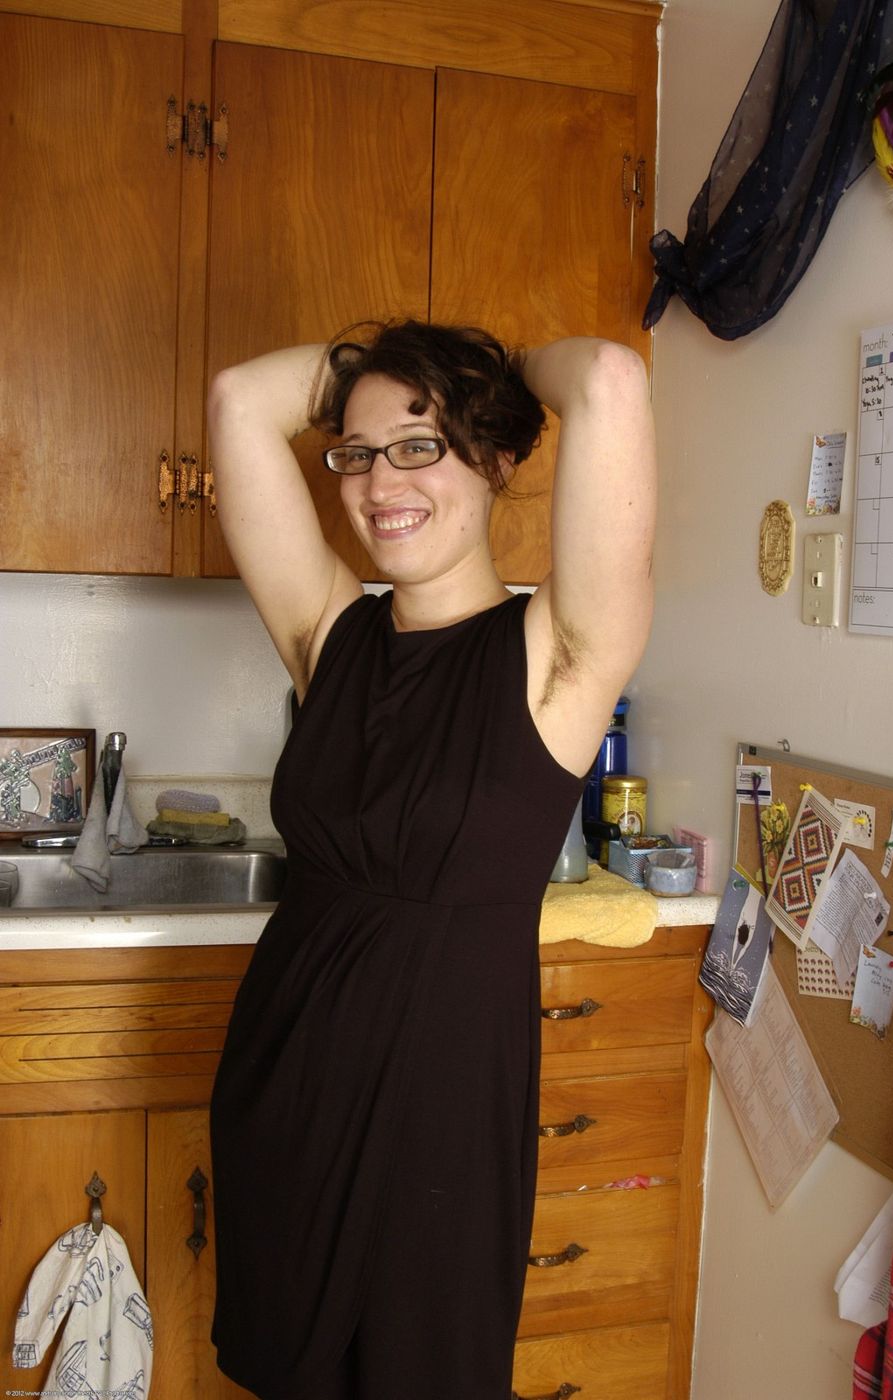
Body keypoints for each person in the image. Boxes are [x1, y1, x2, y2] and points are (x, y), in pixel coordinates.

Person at [207, 319, 656, 1400]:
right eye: (358, 453)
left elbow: (607, 377)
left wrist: (488, 374)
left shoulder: (557, 658)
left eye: (422, 446)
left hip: (442, 1118)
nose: (380, 483)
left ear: (494, 459)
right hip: (285, 1092)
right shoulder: (330, 636)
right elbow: (235, 401)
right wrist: (385, 374)